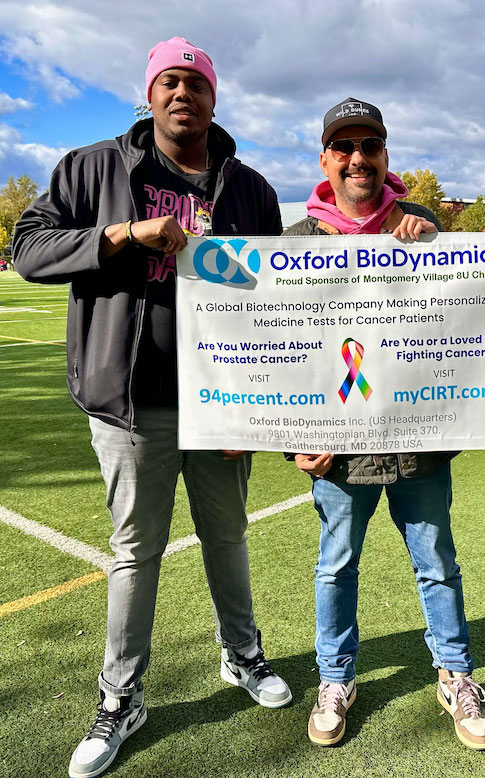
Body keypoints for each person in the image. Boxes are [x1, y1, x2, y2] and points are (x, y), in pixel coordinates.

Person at [13, 37, 290, 778]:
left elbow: (276, 299)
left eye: (195, 83)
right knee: (136, 552)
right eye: (169, 82)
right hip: (133, 402)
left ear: (212, 97)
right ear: (150, 93)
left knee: (228, 537)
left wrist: (255, 407)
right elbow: (28, 251)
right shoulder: (93, 167)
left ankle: (244, 655)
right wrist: (123, 234)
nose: (182, 95)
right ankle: (120, 697)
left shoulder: (250, 188)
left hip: (224, 399)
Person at [283, 98, 485, 751]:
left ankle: (455, 674)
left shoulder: (424, 225)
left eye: (368, 146)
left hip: (417, 445)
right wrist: (296, 439)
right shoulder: (297, 241)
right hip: (337, 452)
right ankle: (335, 677)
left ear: (385, 155)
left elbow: (466, 320)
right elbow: (281, 349)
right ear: (324, 159)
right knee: (335, 565)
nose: (357, 159)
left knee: (436, 562)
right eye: (343, 147)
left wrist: (439, 248)